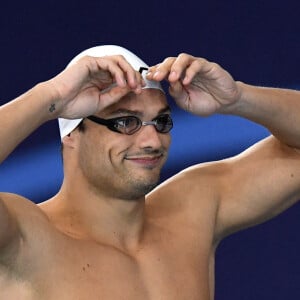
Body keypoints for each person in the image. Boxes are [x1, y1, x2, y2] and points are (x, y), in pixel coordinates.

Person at [0, 44, 299, 300]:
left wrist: (238, 98)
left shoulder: (191, 214)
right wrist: (51, 94)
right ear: (72, 135)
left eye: (160, 122)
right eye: (125, 122)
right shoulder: (25, 239)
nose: (152, 140)